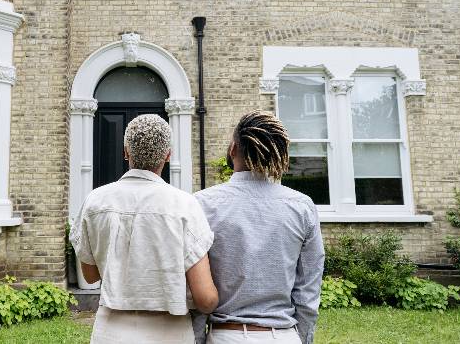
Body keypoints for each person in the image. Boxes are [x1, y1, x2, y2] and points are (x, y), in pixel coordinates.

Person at [71, 114, 219, 344]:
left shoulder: (95, 201)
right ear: (168, 155)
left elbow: (90, 275)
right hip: (170, 332)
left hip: (111, 331)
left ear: (126, 152)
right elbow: (206, 299)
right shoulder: (184, 205)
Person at [193, 111, 324, 344]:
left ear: (233, 149)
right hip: (283, 337)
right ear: (279, 154)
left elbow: (194, 290)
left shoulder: (203, 205)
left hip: (226, 335)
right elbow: (307, 292)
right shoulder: (302, 207)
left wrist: (198, 339)